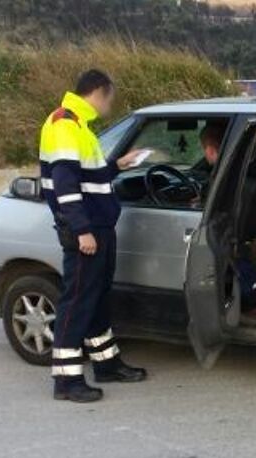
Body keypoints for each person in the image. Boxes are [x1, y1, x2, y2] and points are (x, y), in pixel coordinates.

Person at [39, 69, 149, 403]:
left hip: (99, 227)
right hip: (85, 230)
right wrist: (82, 230)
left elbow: (89, 175)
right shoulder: (64, 125)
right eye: (110, 98)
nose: (110, 105)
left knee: (98, 297)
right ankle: (67, 381)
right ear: (99, 92)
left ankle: (107, 364)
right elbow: (65, 184)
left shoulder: (79, 126)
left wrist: (119, 165)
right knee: (77, 302)